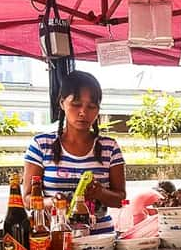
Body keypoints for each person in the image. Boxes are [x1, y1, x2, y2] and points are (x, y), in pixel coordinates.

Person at [23, 70, 126, 234]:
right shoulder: (41, 145)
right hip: (57, 240)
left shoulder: (110, 147)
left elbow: (121, 199)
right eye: (76, 104)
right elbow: (27, 200)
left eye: (91, 106)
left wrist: (100, 192)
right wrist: (53, 202)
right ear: (62, 103)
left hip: (101, 240)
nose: (83, 112)